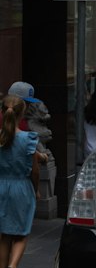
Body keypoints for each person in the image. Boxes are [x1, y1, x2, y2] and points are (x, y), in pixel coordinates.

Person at [0, 94, 40, 268]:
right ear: (21, 114)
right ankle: (12, 266)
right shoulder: (27, 139)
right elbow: (35, 170)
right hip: (21, 188)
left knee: (4, 236)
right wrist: (36, 189)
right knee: (21, 233)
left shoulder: (0, 139)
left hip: (1, 187)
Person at [8, 81, 56, 213]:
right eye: (26, 103)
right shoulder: (17, 123)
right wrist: (35, 191)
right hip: (17, 183)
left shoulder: (22, 122)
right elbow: (34, 168)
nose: (28, 106)